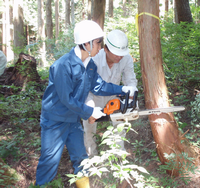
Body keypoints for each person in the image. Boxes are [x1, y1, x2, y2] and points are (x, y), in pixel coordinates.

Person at [35, 21, 137, 187]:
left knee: (82, 160)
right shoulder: (63, 65)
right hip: (55, 120)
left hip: (72, 120)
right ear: (86, 43)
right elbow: (66, 99)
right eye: (98, 42)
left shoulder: (89, 65)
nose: (100, 46)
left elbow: (99, 86)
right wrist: (90, 111)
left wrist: (123, 89)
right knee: (49, 161)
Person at [83, 29, 138, 156]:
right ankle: (91, 156)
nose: (119, 57)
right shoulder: (94, 59)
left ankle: (119, 155)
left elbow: (130, 80)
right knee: (89, 128)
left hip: (114, 95)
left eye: (121, 54)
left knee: (120, 124)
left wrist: (131, 97)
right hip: (93, 96)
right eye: (116, 54)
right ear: (106, 49)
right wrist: (89, 108)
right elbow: (87, 87)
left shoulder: (126, 59)